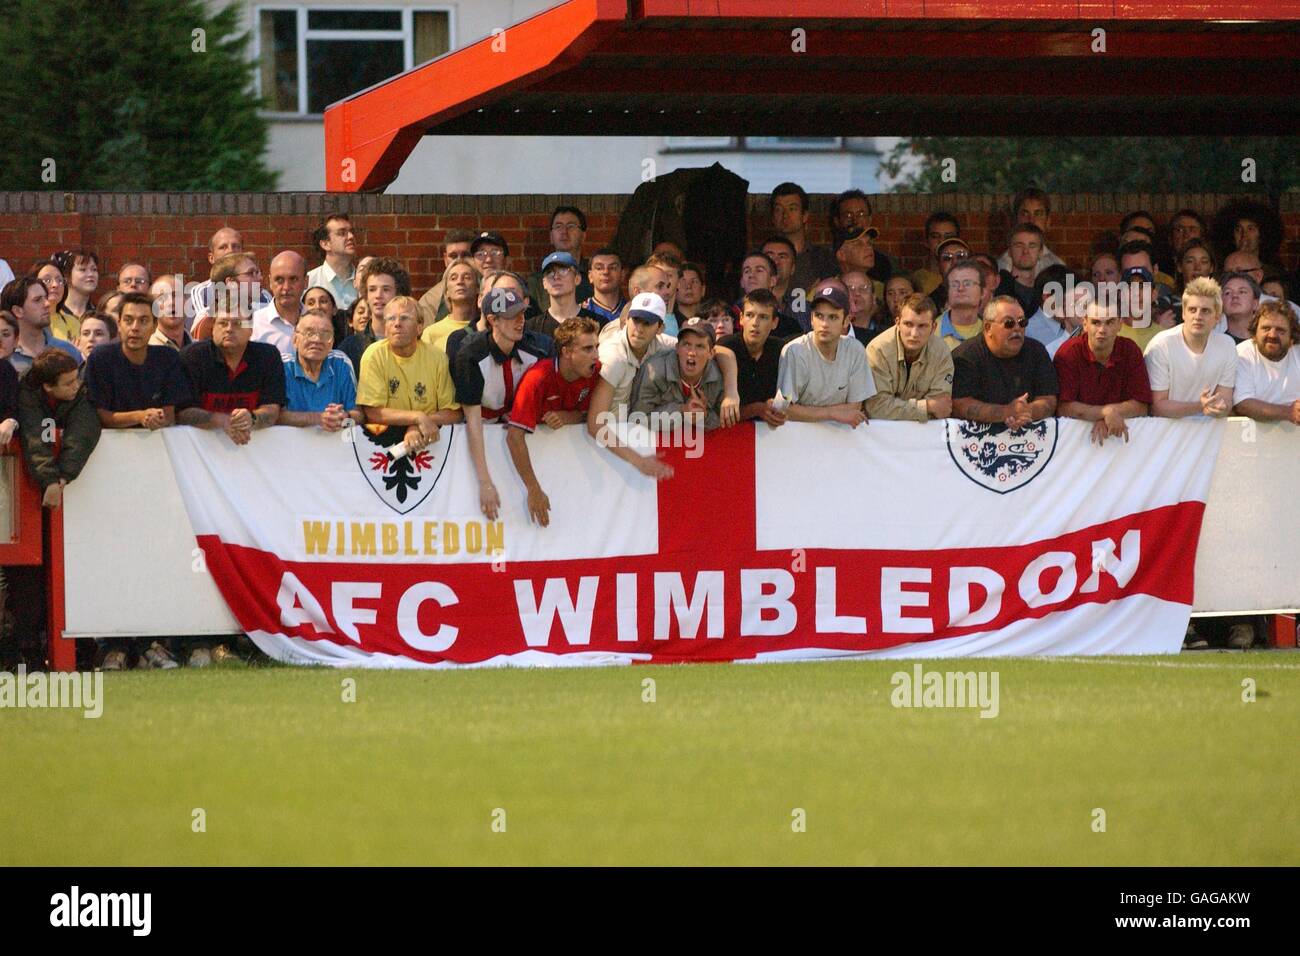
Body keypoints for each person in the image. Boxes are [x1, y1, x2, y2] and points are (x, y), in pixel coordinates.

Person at [12, 349, 104, 669]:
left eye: (75, 378)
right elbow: (34, 436)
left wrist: (62, 476)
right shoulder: (27, 393)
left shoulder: (81, 392)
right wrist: (48, 478)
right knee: (31, 578)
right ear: (47, 387)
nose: (75, 386)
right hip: (27, 498)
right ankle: (30, 650)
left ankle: (83, 649)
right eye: (67, 383)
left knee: (75, 570)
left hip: (69, 494)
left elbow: (84, 431)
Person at [452, 286, 554, 520]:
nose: (520, 321)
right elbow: (473, 424)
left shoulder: (535, 351)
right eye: (511, 316)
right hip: (483, 427)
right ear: (492, 320)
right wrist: (485, 482)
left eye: (522, 313)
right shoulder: (470, 355)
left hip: (517, 426)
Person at [504, 317, 602, 527]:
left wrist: (569, 417)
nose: (596, 355)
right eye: (587, 349)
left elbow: (596, 416)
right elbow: (514, 436)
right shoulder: (537, 378)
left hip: (574, 474)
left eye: (596, 347)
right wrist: (533, 489)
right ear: (567, 352)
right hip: (536, 469)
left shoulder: (597, 372)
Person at [586, 292, 677, 480]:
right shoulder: (613, 357)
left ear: (660, 328)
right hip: (599, 446)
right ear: (627, 320)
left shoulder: (661, 344)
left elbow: (711, 349)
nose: (639, 329)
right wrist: (639, 461)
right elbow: (595, 424)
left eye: (647, 323)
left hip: (626, 441)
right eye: (636, 320)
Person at [357, 295, 462, 456]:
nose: (397, 324)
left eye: (405, 318)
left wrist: (416, 425)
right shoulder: (373, 355)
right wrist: (417, 418)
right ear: (385, 328)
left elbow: (453, 413)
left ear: (420, 327)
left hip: (432, 448)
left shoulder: (437, 357)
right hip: (381, 448)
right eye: (391, 319)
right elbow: (372, 412)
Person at [177, 301, 285, 444]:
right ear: (213, 329)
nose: (229, 329)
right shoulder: (192, 357)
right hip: (201, 451)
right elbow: (182, 412)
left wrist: (252, 418)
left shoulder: (268, 356)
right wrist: (222, 420)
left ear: (251, 330)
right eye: (222, 323)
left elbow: (272, 409)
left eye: (237, 324)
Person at [84, 291, 191, 431]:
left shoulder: (168, 358)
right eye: (128, 320)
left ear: (154, 326)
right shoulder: (101, 358)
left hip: (157, 441)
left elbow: (169, 414)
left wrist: (157, 418)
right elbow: (101, 415)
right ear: (119, 324)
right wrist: (140, 416)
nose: (135, 328)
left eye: (143, 321)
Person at [1053, 302, 1152, 444]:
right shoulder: (1068, 353)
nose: (1102, 330)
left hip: (1124, 444)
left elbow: (1141, 407)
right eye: (1096, 322)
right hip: (1074, 443)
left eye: (1109, 322)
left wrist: (1107, 413)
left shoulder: (1130, 350)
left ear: (1120, 324)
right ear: (1085, 324)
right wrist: (1106, 413)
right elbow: (1063, 408)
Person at [951, 297, 1059, 427]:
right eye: (1009, 323)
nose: (1017, 328)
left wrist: (1026, 411)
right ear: (988, 327)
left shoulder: (1037, 351)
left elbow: (1049, 399)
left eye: (1022, 322)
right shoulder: (966, 356)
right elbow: (959, 405)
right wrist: (1006, 412)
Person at [777, 284, 875, 426]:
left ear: (846, 320)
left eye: (833, 317)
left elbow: (854, 408)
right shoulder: (795, 350)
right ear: (811, 319)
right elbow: (784, 409)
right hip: (797, 437)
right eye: (819, 316)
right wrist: (832, 414)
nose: (824, 324)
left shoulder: (855, 350)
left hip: (840, 438)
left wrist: (808, 412)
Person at [1144, 276, 1236, 420]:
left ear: (1217, 317)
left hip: (1209, 433)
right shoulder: (1161, 346)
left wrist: (1221, 408)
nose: (1198, 316)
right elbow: (1157, 407)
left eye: (1205, 311)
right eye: (1192, 310)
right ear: (1183, 313)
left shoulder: (1227, 345)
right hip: (1163, 436)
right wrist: (1200, 406)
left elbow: (1225, 398)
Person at [632, 317, 731, 432]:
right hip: (654, 445)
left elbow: (725, 422)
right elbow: (637, 420)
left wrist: (703, 417)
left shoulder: (718, 376)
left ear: (711, 353)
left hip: (699, 446)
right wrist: (681, 411)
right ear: (677, 348)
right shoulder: (654, 371)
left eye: (700, 346)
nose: (692, 352)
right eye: (687, 344)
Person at [865, 294, 953, 422]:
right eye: (908, 324)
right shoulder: (878, 350)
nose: (914, 334)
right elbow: (876, 408)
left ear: (933, 327)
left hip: (923, 434)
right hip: (880, 433)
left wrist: (896, 409)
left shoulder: (941, 352)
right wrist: (927, 406)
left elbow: (940, 409)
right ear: (897, 323)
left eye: (922, 326)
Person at [278, 309, 362, 430]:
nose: (317, 340)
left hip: (334, 443)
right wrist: (318, 418)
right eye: (309, 333)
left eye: (325, 334)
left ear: (332, 342)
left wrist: (344, 418)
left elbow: (359, 414)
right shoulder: (282, 366)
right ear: (295, 340)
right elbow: (275, 416)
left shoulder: (341, 362)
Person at [717, 289, 787, 427]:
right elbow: (719, 411)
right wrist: (758, 408)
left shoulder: (781, 350)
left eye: (763, 317)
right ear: (741, 318)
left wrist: (774, 406)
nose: (755, 323)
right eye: (750, 315)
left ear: (775, 322)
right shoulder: (727, 345)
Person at [188, 227, 272, 329]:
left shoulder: (264, 295)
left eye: (236, 246)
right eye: (223, 247)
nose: (231, 251)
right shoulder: (201, 293)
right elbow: (210, 329)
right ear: (211, 257)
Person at [1232, 299, 1300, 424]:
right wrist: (1289, 412)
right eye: (1266, 328)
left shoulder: (1297, 352)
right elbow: (1243, 403)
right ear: (1254, 334)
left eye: (1280, 330)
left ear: (1292, 339)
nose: (1272, 335)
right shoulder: (1241, 354)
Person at [339, 257, 409, 374]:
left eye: (386, 289)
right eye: (372, 289)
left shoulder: (412, 343)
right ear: (365, 295)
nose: (378, 295)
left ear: (399, 293)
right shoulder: (350, 347)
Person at [3, 276, 82, 377]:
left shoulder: (67, 351)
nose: (47, 303)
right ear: (18, 311)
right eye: (37, 300)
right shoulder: (5, 355)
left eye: (46, 298)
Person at [772, 182, 837, 292]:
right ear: (772, 217)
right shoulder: (762, 256)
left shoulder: (823, 258)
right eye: (779, 209)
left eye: (792, 209)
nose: (785, 215)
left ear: (805, 216)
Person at [529, 207, 593, 311]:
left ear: (583, 235)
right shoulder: (536, 282)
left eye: (571, 226)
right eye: (558, 226)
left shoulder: (594, 276)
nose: (564, 231)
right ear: (551, 236)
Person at [996, 188, 1065, 279]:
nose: (1031, 220)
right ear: (1015, 219)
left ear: (1048, 221)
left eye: (1038, 214)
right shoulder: (1001, 266)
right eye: (1025, 214)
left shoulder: (1057, 265)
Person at [252, 251, 309, 359]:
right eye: (279, 280)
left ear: (306, 281)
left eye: (293, 279)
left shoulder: (318, 324)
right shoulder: (254, 325)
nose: (286, 287)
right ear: (270, 282)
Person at [418, 228, 475, 326]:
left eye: (466, 255)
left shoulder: (488, 289)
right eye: (453, 256)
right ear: (445, 259)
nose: (459, 260)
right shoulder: (430, 300)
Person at [421, 259, 480, 353]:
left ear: (477, 288)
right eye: (453, 278)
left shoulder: (485, 327)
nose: (460, 282)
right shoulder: (431, 333)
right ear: (446, 291)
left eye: (467, 277)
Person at [306, 213, 359, 311]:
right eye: (342, 233)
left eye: (352, 232)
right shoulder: (310, 282)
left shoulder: (364, 282)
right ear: (325, 244)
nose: (351, 236)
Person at [996, 224, 1048, 316]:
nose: (1025, 251)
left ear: (1041, 252)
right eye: (1019, 245)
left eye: (1032, 246)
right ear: (1009, 251)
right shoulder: (997, 289)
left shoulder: (1046, 293)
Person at [529, 251, 581, 339]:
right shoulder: (532, 327)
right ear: (544, 283)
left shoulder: (595, 323)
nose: (556, 277)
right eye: (550, 272)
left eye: (563, 270)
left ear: (577, 279)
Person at [50, 250, 99, 342]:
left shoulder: (99, 313)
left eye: (94, 270)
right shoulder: (52, 314)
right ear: (66, 276)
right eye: (82, 269)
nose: (91, 274)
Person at [937, 261, 985, 349]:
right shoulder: (931, 330)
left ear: (982, 292)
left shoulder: (991, 331)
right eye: (954, 284)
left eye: (968, 283)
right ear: (947, 292)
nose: (961, 288)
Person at [912, 212, 960, 296]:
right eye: (935, 236)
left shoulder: (969, 276)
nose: (942, 241)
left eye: (948, 237)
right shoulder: (916, 280)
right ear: (926, 241)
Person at [578, 249, 626, 326]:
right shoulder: (579, 313)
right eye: (599, 268)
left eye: (612, 268)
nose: (606, 272)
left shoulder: (632, 310)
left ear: (622, 275)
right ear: (590, 276)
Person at [149, 275, 192, 351]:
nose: (171, 302)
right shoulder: (147, 351)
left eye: (176, 295)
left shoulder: (202, 352)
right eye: (162, 298)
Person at [843, 270, 886, 345]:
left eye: (864, 288)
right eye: (850, 289)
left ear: (873, 298)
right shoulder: (832, 334)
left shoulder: (886, 335)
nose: (857, 293)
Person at [1220, 272, 1262, 343]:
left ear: (1255, 303)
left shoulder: (1265, 343)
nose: (1235, 296)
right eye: (1228, 293)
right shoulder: (1217, 344)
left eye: (1242, 292)